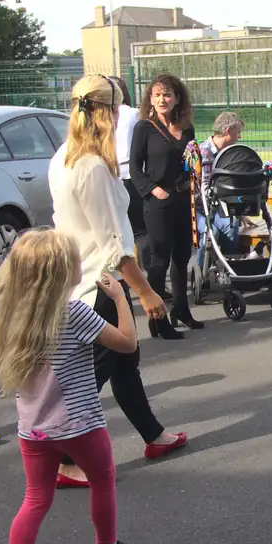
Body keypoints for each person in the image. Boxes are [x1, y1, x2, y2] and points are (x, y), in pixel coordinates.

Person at [0, 230, 144, 544]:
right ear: (61, 273)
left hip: (32, 428)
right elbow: (127, 344)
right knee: (102, 480)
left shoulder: (15, 313)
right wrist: (120, 298)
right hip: (80, 423)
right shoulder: (74, 312)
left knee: (35, 499)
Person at [48, 74, 187, 486]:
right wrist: (145, 291)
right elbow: (113, 243)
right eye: (118, 109)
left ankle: (153, 434)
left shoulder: (64, 156)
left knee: (126, 362)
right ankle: (64, 461)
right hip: (100, 286)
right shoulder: (91, 166)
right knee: (92, 374)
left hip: (84, 279)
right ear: (108, 113)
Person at [130, 73, 201, 340]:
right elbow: (135, 168)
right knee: (158, 261)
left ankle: (181, 309)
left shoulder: (187, 127)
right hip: (158, 201)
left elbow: (190, 160)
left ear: (177, 99)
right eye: (158, 95)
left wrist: (194, 178)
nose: (162, 99)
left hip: (184, 199)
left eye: (167, 95)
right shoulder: (144, 128)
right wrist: (152, 190)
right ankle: (157, 320)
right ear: (151, 98)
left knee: (182, 257)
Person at [199, 111, 245, 251]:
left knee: (232, 226)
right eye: (238, 132)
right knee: (210, 232)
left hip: (218, 208)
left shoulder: (228, 153)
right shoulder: (204, 152)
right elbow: (205, 187)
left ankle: (229, 266)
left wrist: (239, 212)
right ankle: (203, 271)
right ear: (228, 130)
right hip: (200, 208)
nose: (240, 136)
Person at [114, 80, 144, 241]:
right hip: (131, 174)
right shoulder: (134, 113)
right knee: (137, 227)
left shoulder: (129, 113)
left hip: (114, 171)